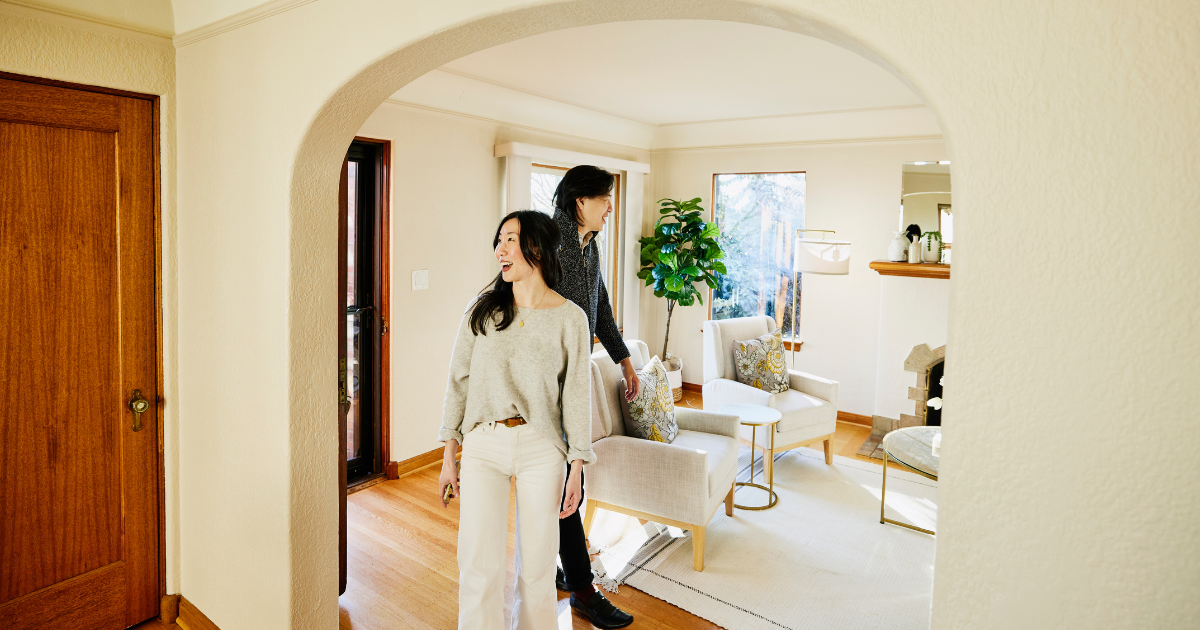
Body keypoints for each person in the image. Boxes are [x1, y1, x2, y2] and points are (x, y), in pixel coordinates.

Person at [437, 210, 594, 630]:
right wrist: (449, 453)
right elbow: (459, 382)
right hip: (484, 445)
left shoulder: (570, 319)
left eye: (510, 240)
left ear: (537, 249)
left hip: (542, 448)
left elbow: (577, 396)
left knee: (539, 567)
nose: (499, 250)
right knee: (477, 564)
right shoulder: (482, 311)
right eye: (499, 240)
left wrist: (577, 466)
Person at [550, 165, 638, 629]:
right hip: (548, 385)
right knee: (567, 484)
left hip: (574, 378)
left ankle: (565, 570)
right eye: (604, 198)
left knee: (566, 483)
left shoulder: (589, 245)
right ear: (580, 201)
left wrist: (623, 359)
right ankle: (583, 591)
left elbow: (598, 305)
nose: (610, 206)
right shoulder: (549, 244)